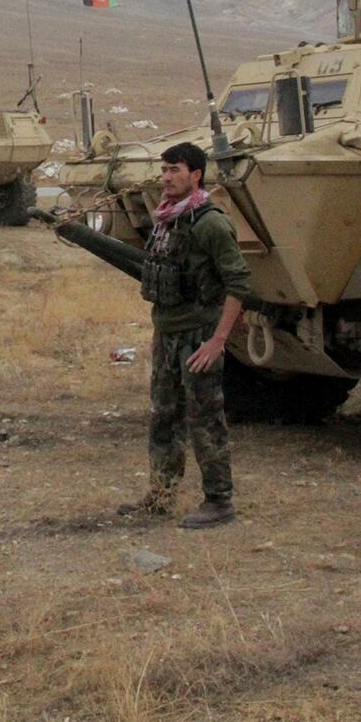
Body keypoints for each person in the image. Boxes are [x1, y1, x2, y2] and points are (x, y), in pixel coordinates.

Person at [115, 142, 250, 529]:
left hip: (198, 337)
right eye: (163, 170)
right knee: (163, 416)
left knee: (205, 418)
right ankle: (161, 494)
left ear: (195, 175)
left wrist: (218, 340)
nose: (167, 178)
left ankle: (219, 500)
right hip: (168, 334)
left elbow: (238, 283)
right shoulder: (166, 220)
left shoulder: (211, 224)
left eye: (175, 170)